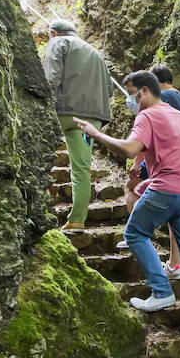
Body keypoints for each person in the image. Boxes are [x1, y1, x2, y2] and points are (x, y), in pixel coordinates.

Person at [75, 71, 180, 342]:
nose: (129, 100)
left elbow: (129, 149)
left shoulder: (147, 116)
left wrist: (94, 133)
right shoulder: (179, 115)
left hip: (169, 190)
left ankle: (161, 292)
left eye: (130, 93)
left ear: (145, 91)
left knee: (135, 233)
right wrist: (147, 184)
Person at [125, 64, 180, 279]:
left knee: (130, 189)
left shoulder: (161, 99)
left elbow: (150, 132)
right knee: (177, 214)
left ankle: (139, 236)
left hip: (162, 160)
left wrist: (137, 162)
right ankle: (176, 264)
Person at [42, 18, 114, 230]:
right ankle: (77, 220)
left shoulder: (58, 43)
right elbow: (109, 89)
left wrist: (46, 103)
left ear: (54, 33)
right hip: (91, 119)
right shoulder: (95, 53)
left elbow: (50, 77)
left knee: (38, 154)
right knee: (82, 168)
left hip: (63, 113)